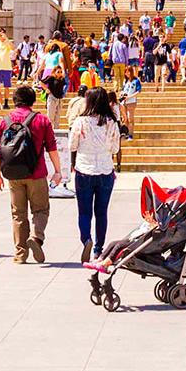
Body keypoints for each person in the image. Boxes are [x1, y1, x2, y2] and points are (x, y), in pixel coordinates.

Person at [0, 87, 62, 264]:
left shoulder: (5, 121)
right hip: (37, 173)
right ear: (32, 101)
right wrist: (58, 171)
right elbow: (52, 147)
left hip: (13, 174)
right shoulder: (41, 120)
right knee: (41, 210)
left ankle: (20, 254)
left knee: (18, 214)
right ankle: (36, 236)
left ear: (15, 100)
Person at [69, 86, 120, 263]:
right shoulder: (111, 122)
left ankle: (86, 239)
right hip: (105, 170)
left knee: (84, 211)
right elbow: (115, 148)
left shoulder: (80, 122)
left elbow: (72, 146)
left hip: (84, 169)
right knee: (101, 212)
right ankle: (98, 249)